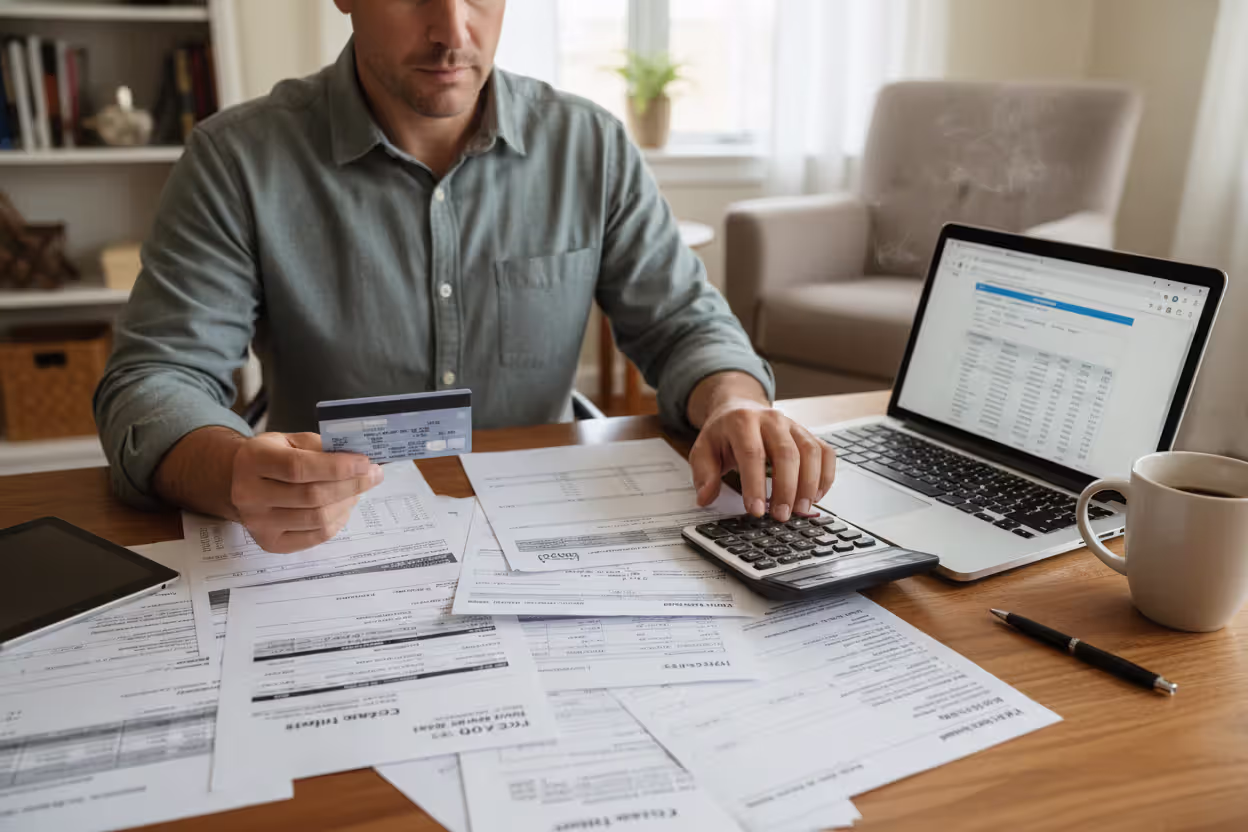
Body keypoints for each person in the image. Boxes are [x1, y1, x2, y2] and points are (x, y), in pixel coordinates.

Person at [94, 0, 836, 554]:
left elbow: (685, 325)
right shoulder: (238, 161)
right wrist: (231, 473)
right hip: (329, 540)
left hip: (555, 525)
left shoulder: (589, 146)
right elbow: (156, 379)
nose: (454, 31)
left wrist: (734, 404)